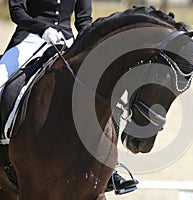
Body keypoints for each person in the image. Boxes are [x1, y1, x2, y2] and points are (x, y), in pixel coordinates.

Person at [0, 0, 137, 193]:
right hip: (29, 38)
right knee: (2, 81)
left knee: (104, 93)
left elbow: (83, 19)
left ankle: (109, 167)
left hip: (68, 41)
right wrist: (42, 29)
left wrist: (91, 44)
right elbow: (17, 11)